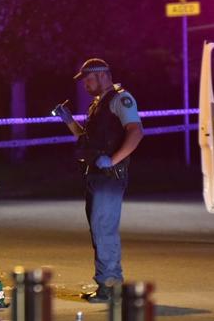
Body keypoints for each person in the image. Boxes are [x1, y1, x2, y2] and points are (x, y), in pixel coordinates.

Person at [59, 58, 143, 303]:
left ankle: (110, 287)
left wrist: (114, 159)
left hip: (109, 176)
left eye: (88, 78)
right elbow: (88, 139)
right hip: (96, 174)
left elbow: (136, 132)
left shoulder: (120, 99)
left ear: (103, 75)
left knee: (104, 231)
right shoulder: (99, 103)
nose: (85, 84)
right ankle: (107, 284)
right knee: (99, 231)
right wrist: (68, 121)